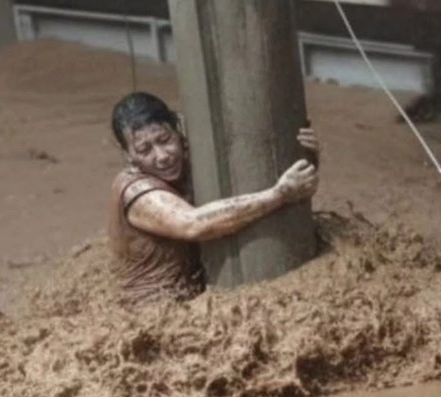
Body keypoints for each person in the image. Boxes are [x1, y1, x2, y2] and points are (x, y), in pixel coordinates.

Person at [108, 92, 320, 303]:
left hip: (197, 294)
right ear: (127, 155)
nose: (162, 156)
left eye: (165, 140)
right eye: (144, 150)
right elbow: (192, 224)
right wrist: (278, 195)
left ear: (178, 130)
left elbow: (262, 180)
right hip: (153, 308)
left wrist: (303, 155)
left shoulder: (194, 156)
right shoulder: (135, 191)